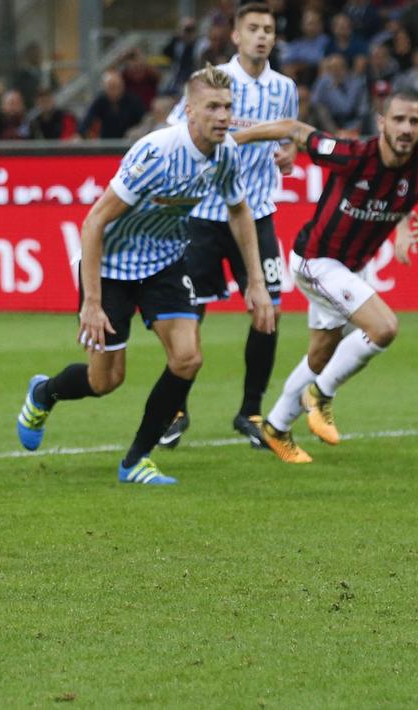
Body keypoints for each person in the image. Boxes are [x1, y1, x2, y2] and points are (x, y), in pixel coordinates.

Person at [14, 65, 275, 485]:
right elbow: (95, 222)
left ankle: (136, 460)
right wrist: (92, 302)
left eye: (228, 107)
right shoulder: (157, 153)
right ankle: (44, 393)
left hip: (165, 263)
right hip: (112, 268)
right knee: (105, 380)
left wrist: (256, 284)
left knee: (188, 358)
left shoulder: (226, 153)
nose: (223, 116)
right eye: (213, 107)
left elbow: (240, 210)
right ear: (190, 111)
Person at [231, 90, 418, 463]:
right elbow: (294, 128)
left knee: (320, 353)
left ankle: (276, 427)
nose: (406, 128)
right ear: (382, 123)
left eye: (414, 121)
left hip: (347, 268)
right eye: (399, 120)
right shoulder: (354, 155)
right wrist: (235, 139)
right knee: (384, 328)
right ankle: (320, 395)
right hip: (315, 260)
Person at [158, 2, 298, 450]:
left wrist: (289, 154)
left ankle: (251, 411)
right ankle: (176, 409)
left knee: (268, 312)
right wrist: (255, 135)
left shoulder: (285, 88)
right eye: (253, 28)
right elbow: (184, 135)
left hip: (255, 214)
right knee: (187, 312)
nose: (261, 35)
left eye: (268, 29)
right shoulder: (212, 83)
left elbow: (288, 140)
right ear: (235, 36)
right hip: (202, 215)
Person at [80, 70, 147, 139]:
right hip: (107, 142)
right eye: (111, 87)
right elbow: (87, 120)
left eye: (118, 87)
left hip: (129, 140)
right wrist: (83, 134)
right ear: (105, 88)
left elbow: (144, 120)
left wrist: (137, 131)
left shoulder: (133, 100)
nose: (115, 91)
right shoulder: (100, 101)